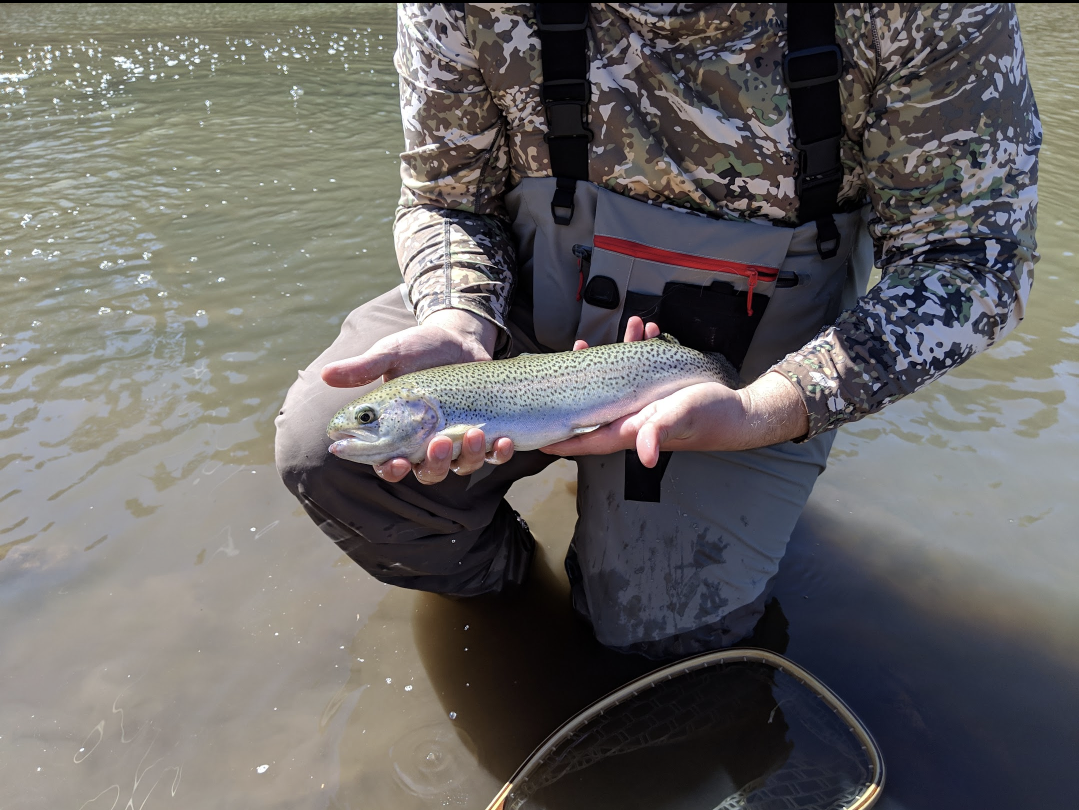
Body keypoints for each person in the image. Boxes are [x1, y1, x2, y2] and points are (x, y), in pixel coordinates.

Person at [276, 3, 1039, 659]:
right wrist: (457, 312)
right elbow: (446, 199)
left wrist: (767, 410)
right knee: (327, 450)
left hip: (752, 362)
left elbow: (974, 259)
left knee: (658, 638)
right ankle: (507, 597)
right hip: (525, 297)